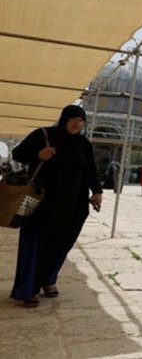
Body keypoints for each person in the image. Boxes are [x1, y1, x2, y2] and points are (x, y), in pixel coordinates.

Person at [10, 105, 103, 308]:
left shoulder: (83, 144)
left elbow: (90, 171)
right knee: (36, 243)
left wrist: (97, 192)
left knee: (61, 243)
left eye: (81, 121)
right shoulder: (43, 135)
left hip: (72, 205)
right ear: (63, 119)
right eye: (72, 119)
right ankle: (29, 289)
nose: (77, 124)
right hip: (41, 203)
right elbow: (17, 154)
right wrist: (38, 154)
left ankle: (48, 280)